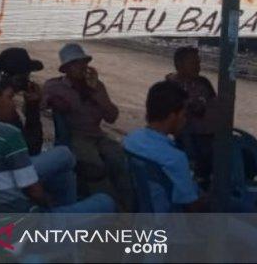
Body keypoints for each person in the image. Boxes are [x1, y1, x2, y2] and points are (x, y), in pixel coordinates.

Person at [0, 75, 116, 213]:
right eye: (10, 97)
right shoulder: (7, 133)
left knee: (64, 174)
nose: (13, 104)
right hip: (23, 226)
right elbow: (33, 190)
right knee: (105, 201)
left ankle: (64, 233)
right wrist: (46, 207)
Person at [44, 43, 131, 208]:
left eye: (84, 63)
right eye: (76, 64)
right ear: (67, 68)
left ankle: (129, 205)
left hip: (97, 135)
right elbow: (39, 103)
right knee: (94, 166)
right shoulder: (55, 86)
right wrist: (51, 101)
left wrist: (97, 93)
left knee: (120, 159)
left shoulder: (96, 86)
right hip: (75, 135)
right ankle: (108, 206)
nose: (82, 67)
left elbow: (112, 117)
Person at [123, 81, 209, 212]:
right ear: (172, 117)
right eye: (184, 114)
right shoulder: (175, 159)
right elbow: (193, 206)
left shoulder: (131, 140)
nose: (186, 120)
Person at [167, 46, 217, 188]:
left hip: (208, 130)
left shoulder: (203, 82)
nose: (198, 66)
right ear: (179, 65)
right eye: (193, 63)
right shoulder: (171, 85)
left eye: (199, 62)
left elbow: (215, 105)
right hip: (187, 134)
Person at [0, 47, 45, 155]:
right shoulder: (4, 105)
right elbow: (32, 147)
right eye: (26, 76)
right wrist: (33, 107)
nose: (28, 80)